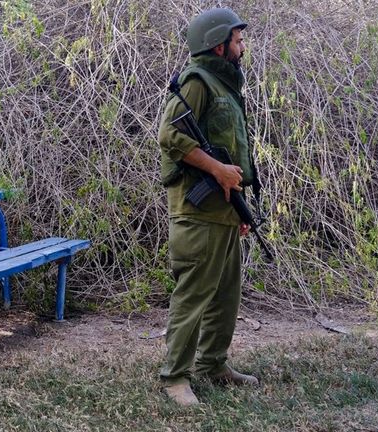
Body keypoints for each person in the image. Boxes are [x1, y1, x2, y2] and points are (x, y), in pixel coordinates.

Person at [157, 8, 260, 406]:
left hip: (223, 210)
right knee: (193, 296)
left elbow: (230, 151)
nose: (242, 45)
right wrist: (216, 170)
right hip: (196, 211)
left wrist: (239, 210)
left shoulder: (224, 85)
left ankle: (213, 364)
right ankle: (175, 378)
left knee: (226, 295)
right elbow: (170, 136)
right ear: (218, 44)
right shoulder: (197, 81)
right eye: (237, 39)